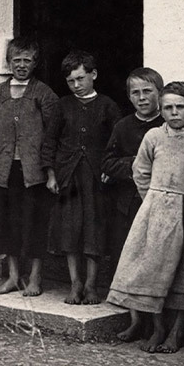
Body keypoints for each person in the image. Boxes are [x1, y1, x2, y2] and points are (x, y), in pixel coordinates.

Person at [107, 81, 184, 354]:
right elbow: (140, 170)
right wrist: (153, 199)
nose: (174, 113)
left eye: (180, 107)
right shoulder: (153, 137)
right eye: (168, 107)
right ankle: (157, 327)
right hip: (155, 212)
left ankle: (176, 331)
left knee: (183, 271)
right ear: (161, 110)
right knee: (152, 270)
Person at [0, 38, 58, 296]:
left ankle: (35, 278)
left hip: (34, 173)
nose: (22, 65)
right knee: (8, 225)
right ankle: (14, 276)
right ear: (9, 62)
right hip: (6, 171)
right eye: (17, 61)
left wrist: (43, 161)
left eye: (27, 60)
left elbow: (53, 131)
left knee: (35, 225)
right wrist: (6, 147)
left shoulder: (43, 93)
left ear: (35, 63)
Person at [48, 51, 121, 305]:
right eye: (71, 81)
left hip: (96, 179)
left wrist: (110, 170)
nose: (76, 85)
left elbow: (117, 143)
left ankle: (91, 285)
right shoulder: (62, 105)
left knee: (94, 230)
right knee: (70, 231)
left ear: (94, 75)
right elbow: (50, 141)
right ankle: (75, 283)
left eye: (81, 78)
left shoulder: (108, 106)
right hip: (69, 179)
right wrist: (51, 174)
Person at [101, 67, 164, 272]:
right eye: (135, 93)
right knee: (124, 250)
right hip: (126, 202)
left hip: (157, 200)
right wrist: (137, 162)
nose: (142, 98)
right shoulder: (122, 126)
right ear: (129, 97)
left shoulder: (167, 125)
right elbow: (108, 163)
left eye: (147, 91)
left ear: (160, 94)